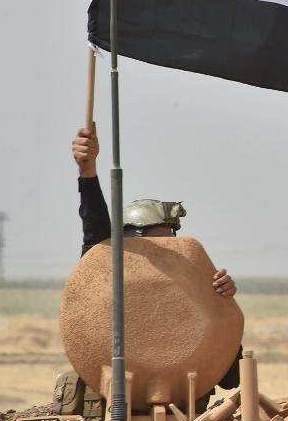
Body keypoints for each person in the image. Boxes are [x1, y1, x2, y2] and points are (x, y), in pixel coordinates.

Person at [72, 126, 236, 297]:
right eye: (157, 246)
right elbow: (95, 227)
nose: (168, 251)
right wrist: (87, 171)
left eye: (170, 244)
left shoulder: (182, 285)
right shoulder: (104, 275)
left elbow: (204, 307)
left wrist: (219, 293)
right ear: (126, 245)